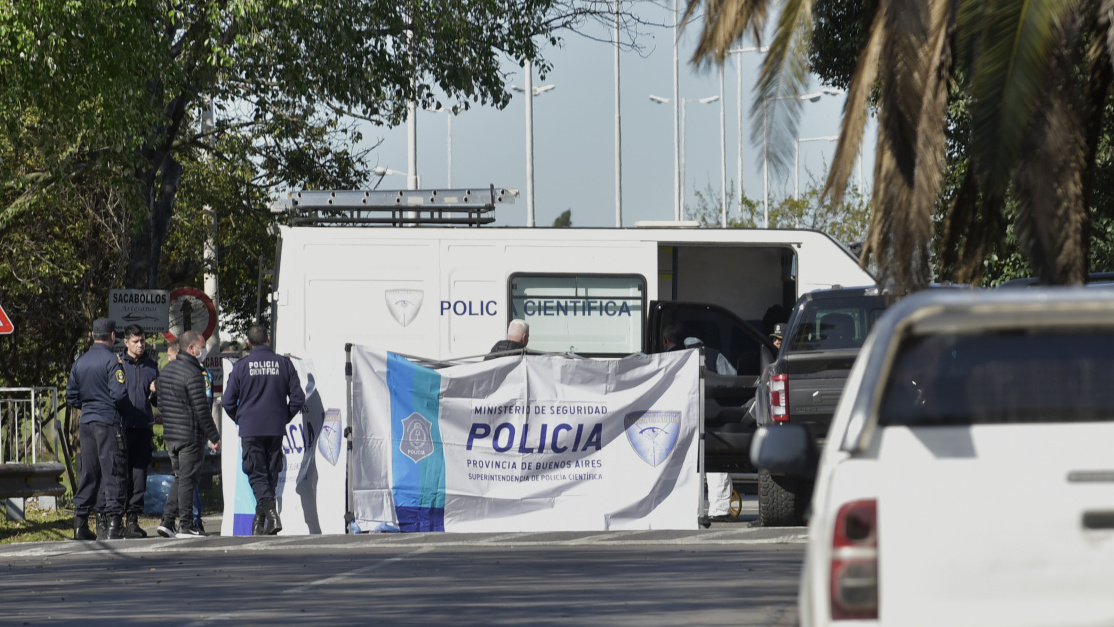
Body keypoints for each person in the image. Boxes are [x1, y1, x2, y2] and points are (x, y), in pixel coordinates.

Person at [222, 324, 305, 535]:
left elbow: (228, 401)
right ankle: (260, 522)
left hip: (251, 428)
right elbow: (298, 398)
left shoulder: (241, 366)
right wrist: (283, 417)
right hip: (275, 427)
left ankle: (271, 515)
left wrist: (241, 419)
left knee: (257, 473)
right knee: (270, 473)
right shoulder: (284, 364)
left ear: (249, 343)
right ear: (268, 339)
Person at [661, 322, 736, 522]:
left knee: (686, 463)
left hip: (681, 417)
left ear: (666, 340)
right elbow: (732, 379)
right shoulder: (713, 354)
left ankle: (687, 510)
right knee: (715, 462)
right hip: (711, 415)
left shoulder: (672, 357)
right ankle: (719, 510)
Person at [66, 318, 130, 541]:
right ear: (112, 336)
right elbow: (119, 394)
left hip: (86, 423)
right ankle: (114, 524)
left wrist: (89, 405)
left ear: (93, 335)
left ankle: (80, 524)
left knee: (89, 472)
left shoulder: (80, 361)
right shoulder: (113, 361)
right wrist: (124, 411)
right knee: (113, 470)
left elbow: (71, 396)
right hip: (108, 422)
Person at [156, 331, 221, 538]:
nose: (205, 351)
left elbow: (161, 405)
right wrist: (214, 436)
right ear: (191, 348)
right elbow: (201, 409)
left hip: (171, 435)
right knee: (187, 480)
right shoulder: (194, 373)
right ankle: (186, 525)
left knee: (180, 478)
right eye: (202, 347)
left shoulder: (166, 371)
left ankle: (167, 521)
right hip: (189, 435)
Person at [118, 324, 158, 538]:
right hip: (121, 427)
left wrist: (156, 392)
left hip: (142, 427)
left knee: (139, 476)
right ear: (126, 342)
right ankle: (115, 519)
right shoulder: (117, 365)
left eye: (142, 340)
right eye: (136, 341)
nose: (140, 345)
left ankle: (133, 518)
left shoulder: (151, 367)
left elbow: (157, 401)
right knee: (120, 474)